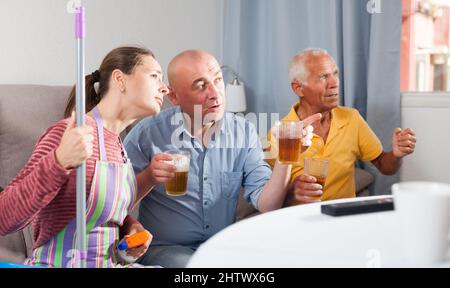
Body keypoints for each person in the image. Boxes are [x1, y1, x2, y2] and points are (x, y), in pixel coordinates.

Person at [124, 50, 321, 268]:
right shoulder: (147, 134)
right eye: (200, 85)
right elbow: (116, 202)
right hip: (166, 250)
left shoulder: (243, 132)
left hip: (222, 247)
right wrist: (149, 177)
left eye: (217, 80)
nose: (215, 93)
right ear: (174, 97)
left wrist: (287, 156)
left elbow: (268, 204)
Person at [0, 46, 169, 267]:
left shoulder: (117, 145)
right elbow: (4, 218)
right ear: (120, 80)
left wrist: (129, 228)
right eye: (155, 76)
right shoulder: (68, 134)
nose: (164, 88)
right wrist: (59, 161)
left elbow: (98, 211)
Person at [267, 48, 416, 205]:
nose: (334, 83)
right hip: (300, 220)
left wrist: (397, 154)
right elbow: (270, 199)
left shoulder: (352, 118)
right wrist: (292, 192)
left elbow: (385, 166)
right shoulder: (278, 134)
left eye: (335, 73)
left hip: (343, 218)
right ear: (298, 88)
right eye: (323, 76)